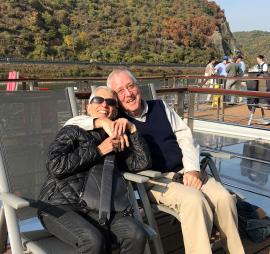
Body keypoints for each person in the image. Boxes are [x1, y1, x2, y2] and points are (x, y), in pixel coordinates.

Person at [65, 69, 245, 254]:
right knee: (194, 200)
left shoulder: (160, 107)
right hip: (155, 181)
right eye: (120, 91)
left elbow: (185, 136)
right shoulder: (115, 119)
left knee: (224, 199)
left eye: (131, 86)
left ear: (138, 86)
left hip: (187, 171)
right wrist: (100, 122)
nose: (128, 94)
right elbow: (71, 124)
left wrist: (192, 169)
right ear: (116, 99)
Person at [38, 86, 151, 254]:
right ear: (88, 107)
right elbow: (55, 166)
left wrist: (132, 130)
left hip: (100, 208)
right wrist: (98, 151)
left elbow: (141, 163)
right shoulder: (73, 130)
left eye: (111, 102)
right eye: (98, 100)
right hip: (60, 205)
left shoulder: (116, 137)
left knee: (136, 234)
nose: (104, 106)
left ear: (116, 110)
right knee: (93, 241)